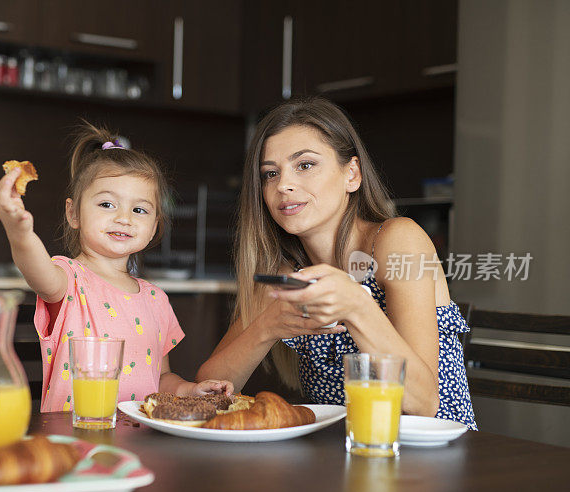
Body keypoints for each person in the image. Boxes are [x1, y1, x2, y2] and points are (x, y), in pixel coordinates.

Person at [196, 97, 476, 429]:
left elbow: (422, 403)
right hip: (342, 458)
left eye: (305, 165)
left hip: (432, 458)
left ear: (352, 174)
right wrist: (267, 326)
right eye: (270, 173)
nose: (282, 184)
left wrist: (357, 306)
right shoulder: (287, 273)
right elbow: (206, 394)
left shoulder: (398, 241)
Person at [0, 122, 233, 412]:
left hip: (140, 442)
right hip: (74, 440)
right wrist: (19, 232)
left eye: (140, 209)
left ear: (155, 225)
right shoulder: (67, 279)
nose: (124, 218)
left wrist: (190, 390)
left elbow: (160, 378)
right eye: (107, 204)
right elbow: (35, 268)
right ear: (73, 213)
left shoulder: (156, 300)